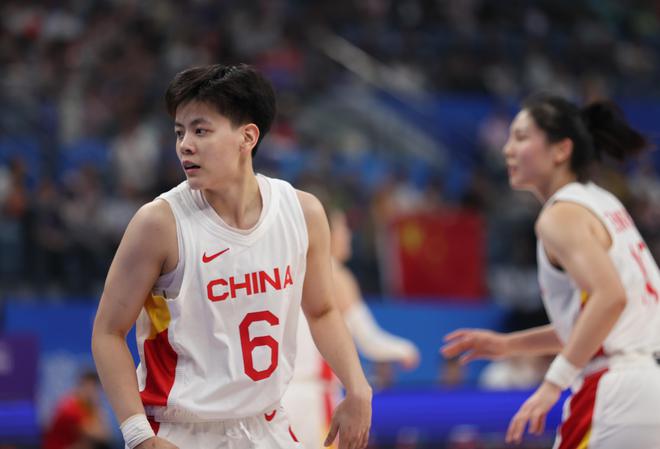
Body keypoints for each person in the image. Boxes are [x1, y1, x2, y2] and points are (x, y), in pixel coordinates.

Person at [91, 64, 372, 449]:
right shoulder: (159, 224)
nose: (185, 145)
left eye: (200, 130)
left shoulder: (302, 213)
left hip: (268, 426)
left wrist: (358, 387)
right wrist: (138, 435)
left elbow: (322, 311)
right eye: (179, 132)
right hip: (180, 431)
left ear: (247, 137)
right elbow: (107, 332)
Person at [441, 94, 660, 448]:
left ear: (561, 150)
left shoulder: (560, 215)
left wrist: (552, 383)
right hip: (646, 381)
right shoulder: (603, 201)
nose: (508, 149)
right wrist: (508, 345)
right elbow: (594, 324)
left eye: (521, 137)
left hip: (616, 389)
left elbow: (609, 298)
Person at [282, 208, 419, 449]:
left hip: (277, 400)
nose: (348, 234)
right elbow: (370, 341)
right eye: (343, 227)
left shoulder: (283, 266)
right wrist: (405, 350)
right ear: (325, 232)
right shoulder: (334, 273)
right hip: (315, 400)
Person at [43, 370, 111, 449]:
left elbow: (106, 436)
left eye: (95, 389)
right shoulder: (70, 407)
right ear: (80, 387)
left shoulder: (87, 407)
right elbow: (101, 435)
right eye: (88, 388)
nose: (91, 393)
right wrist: (97, 408)